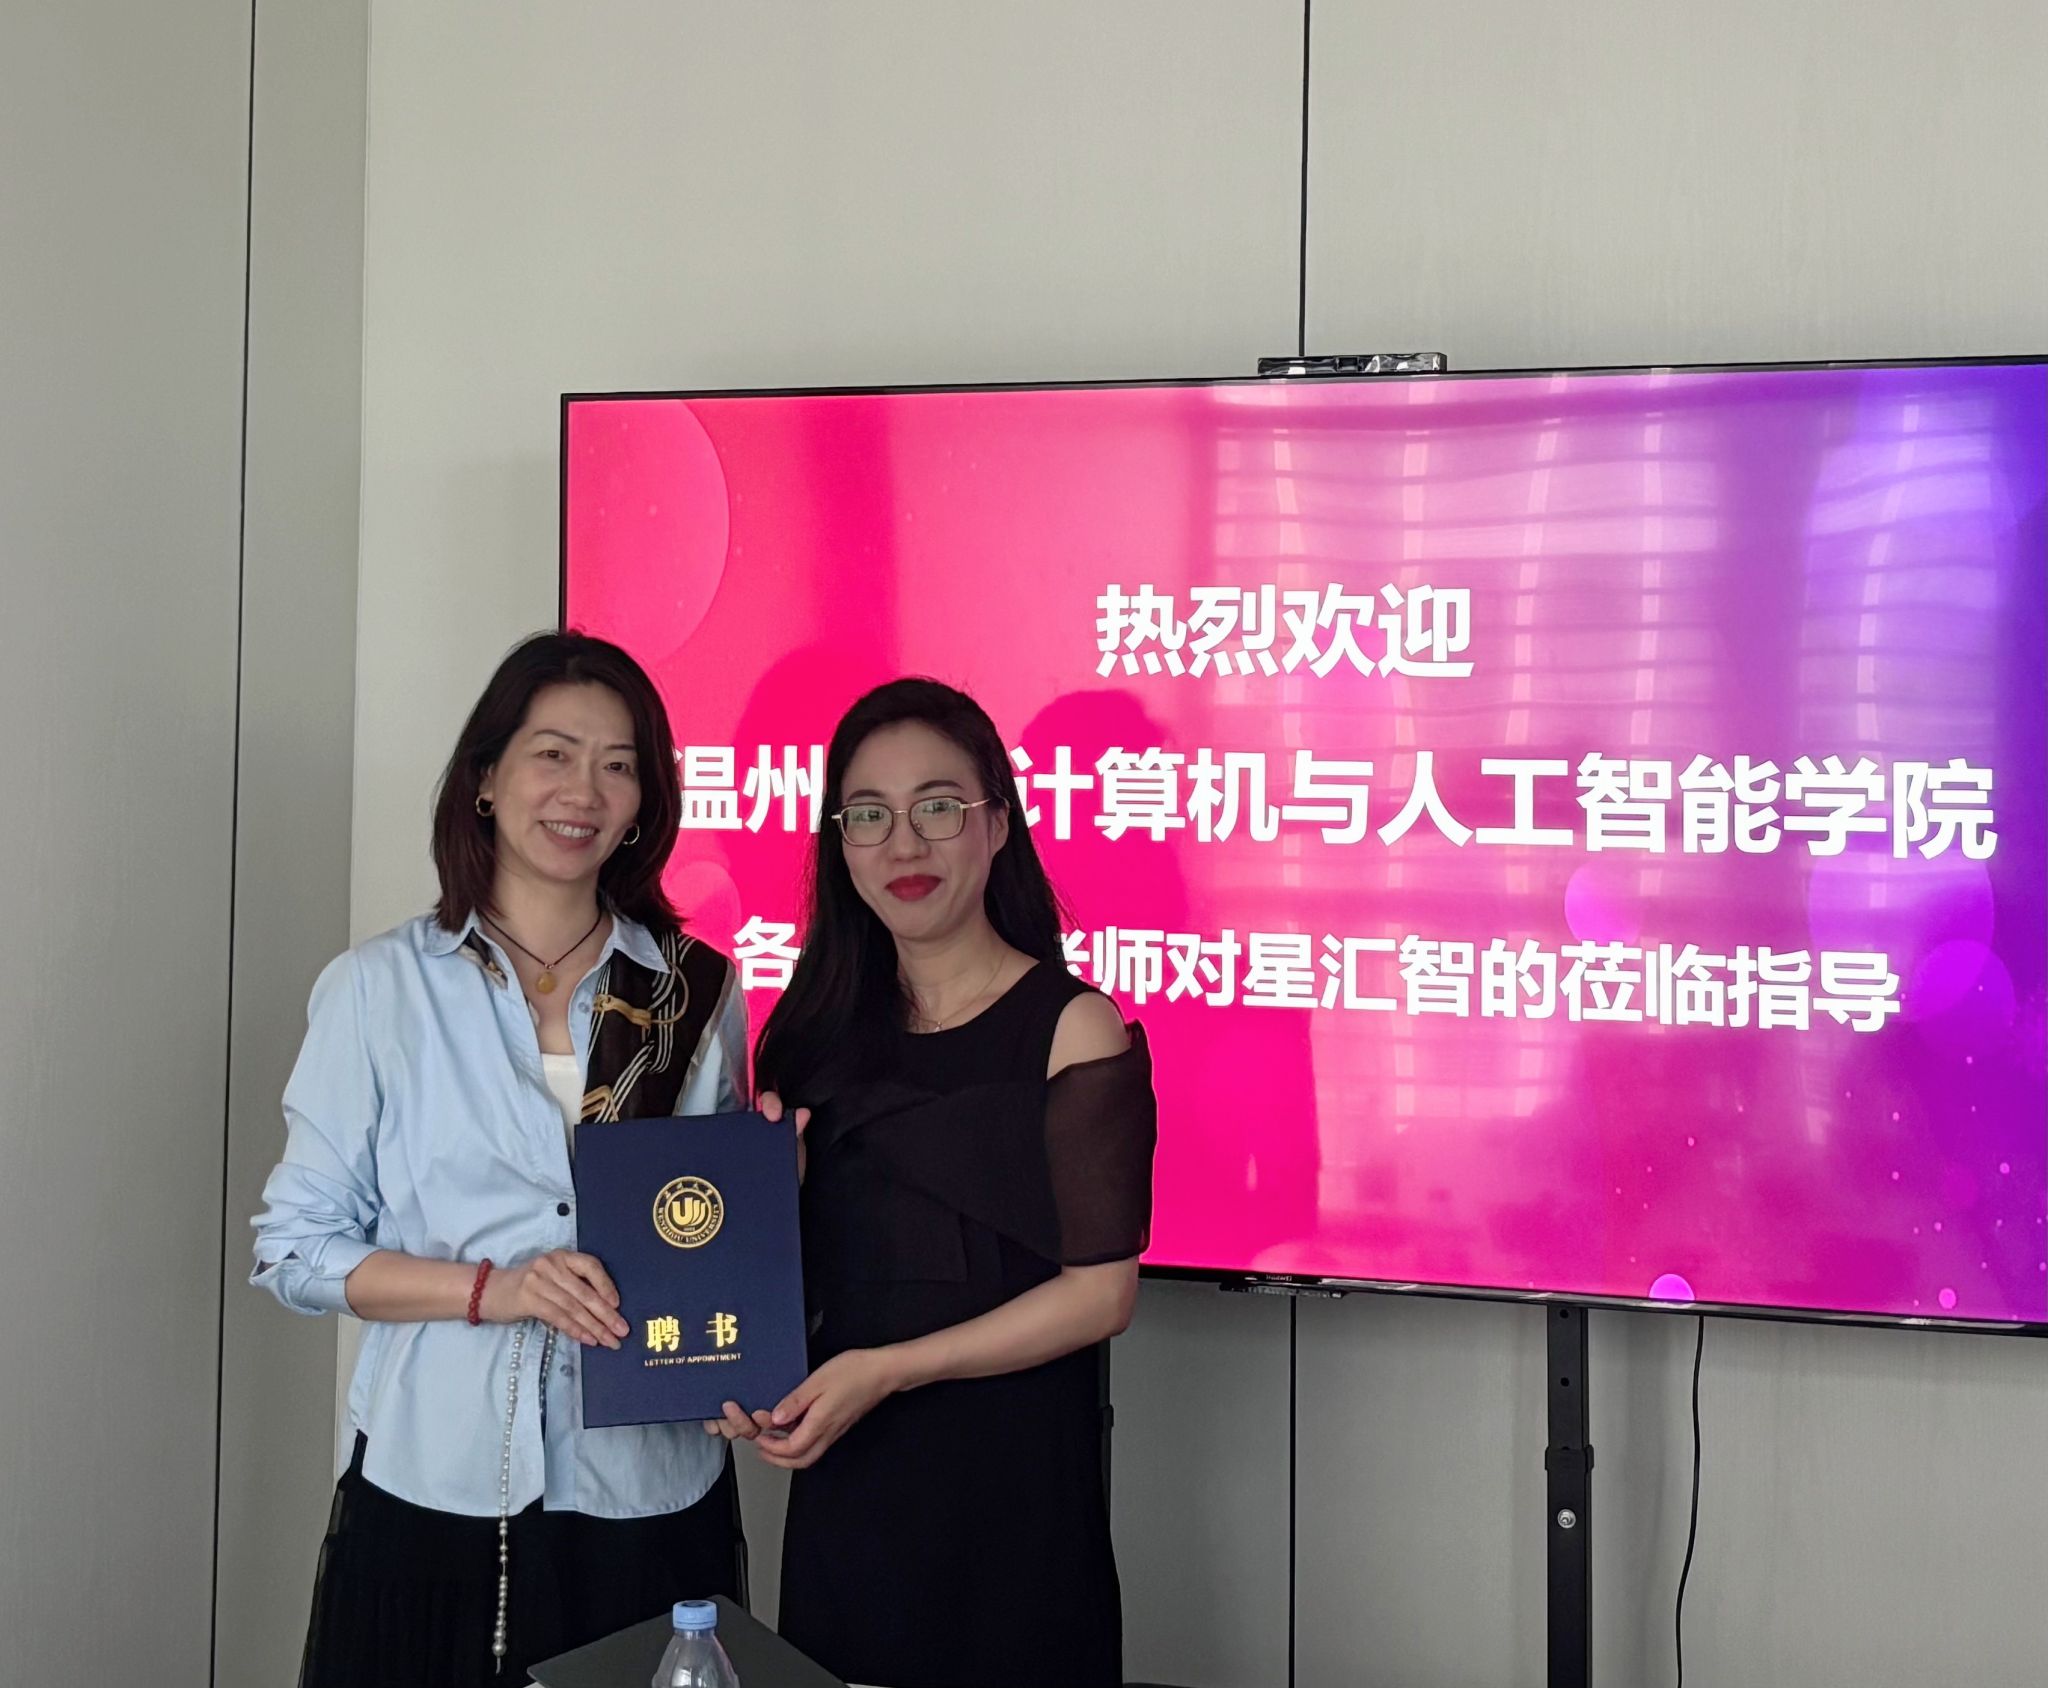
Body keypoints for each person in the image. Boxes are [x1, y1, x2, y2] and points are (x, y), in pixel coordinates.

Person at [252, 631, 751, 1687]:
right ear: (485, 779)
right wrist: (498, 1288)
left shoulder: (697, 992)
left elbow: (703, 1231)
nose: (584, 791)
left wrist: (763, 1233)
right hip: (438, 1485)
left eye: (618, 764)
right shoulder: (381, 988)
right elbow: (296, 1249)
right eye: (553, 754)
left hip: (648, 1486)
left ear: (644, 799)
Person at [717, 677, 1157, 1688]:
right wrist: (734, 1364)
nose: (903, 844)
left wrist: (889, 1370)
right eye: (869, 815)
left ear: (995, 824)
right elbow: (788, 1280)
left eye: (938, 807)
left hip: (1017, 1494)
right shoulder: (809, 1033)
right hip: (850, 1490)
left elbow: (1102, 1294)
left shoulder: (1071, 1025)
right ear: (840, 843)